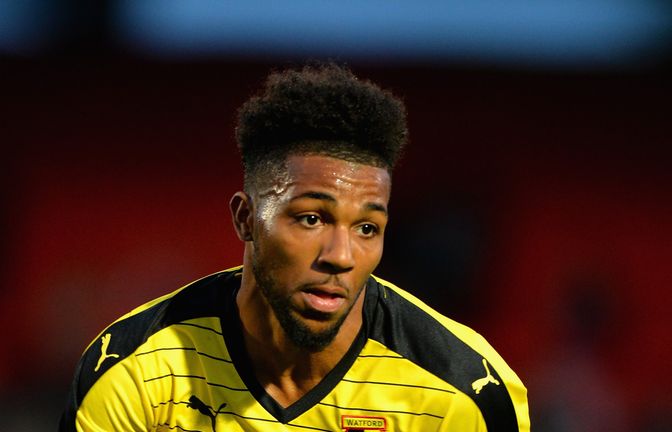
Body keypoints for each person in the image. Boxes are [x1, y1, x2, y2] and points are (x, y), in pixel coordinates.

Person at [59, 64, 530, 431]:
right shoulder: (134, 370)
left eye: (367, 227)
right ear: (245, 219)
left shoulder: (463, 391)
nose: (340, 256)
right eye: (311, 218)